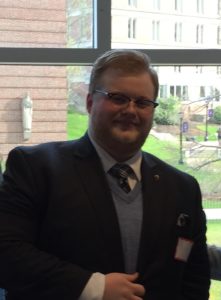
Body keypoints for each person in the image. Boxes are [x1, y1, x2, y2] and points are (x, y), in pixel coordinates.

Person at [0, 49, 210, 300]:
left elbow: (194, 277)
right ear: (90, 103)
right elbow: (7, 253)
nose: (131, 110)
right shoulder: (35, 168)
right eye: (118, 98)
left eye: (143, 102)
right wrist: (91, 287)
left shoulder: (182, 187)